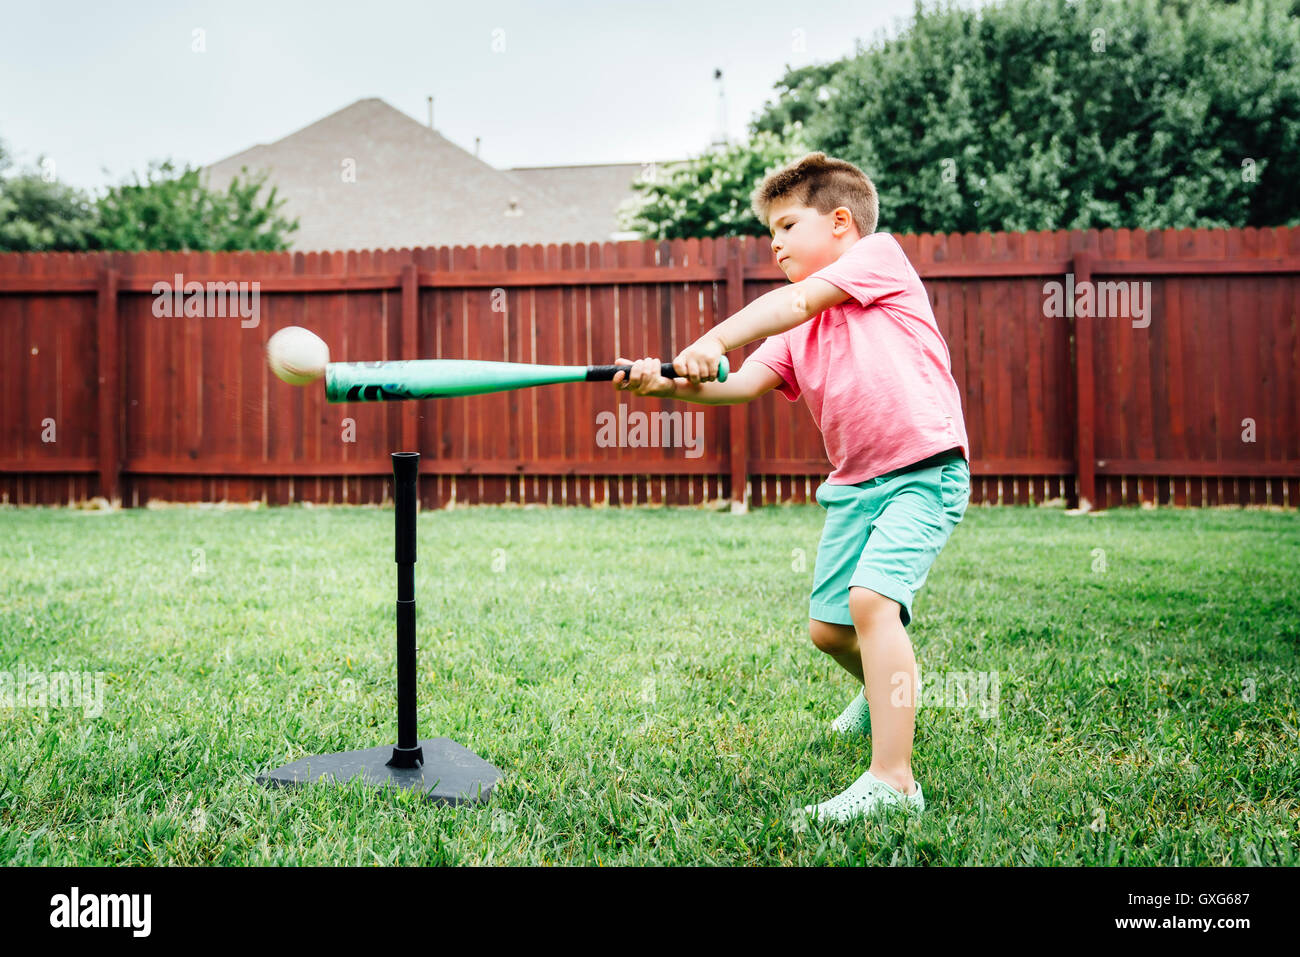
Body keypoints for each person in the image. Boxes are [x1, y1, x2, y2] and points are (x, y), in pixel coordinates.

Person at [613, 151, 971, 821]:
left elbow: (795, 298)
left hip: (924, 468)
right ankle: (881, 691)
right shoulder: (799, 327)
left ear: (841, 222)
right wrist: (662, 380)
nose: (773, 244)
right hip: (854, 483)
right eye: (768, 232)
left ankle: (895, 781)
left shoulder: (879, 259)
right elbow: (740, 384)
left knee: (871, 603)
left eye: (784, 225)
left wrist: (712, 337)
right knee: (829, 630)